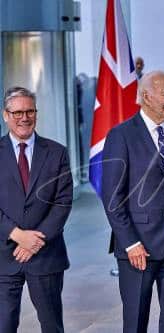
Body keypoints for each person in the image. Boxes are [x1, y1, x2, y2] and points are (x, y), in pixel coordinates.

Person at [101, 71, 164, 333]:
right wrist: (130, 242)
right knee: (136, 321)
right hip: (138, 248)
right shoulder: (121, 135)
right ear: (146, 96)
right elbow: (113, 197)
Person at [0, 86, 73, 332]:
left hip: (46, 255)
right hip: (4, 255)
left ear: (36, 114)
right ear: (6, 115)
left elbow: (63, 201)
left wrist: (35, 240)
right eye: (18, 112)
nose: (24, 117)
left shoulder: (56, 152)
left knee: (52, 325)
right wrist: (17, 234)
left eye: (30, 111)